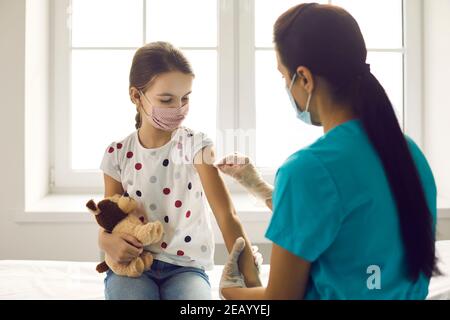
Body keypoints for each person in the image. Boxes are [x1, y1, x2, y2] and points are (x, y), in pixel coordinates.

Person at [217, 3, 440, 300]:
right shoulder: (408, 153)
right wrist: (259, 187)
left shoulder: (307, 168)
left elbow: (279, 300)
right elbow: (350, 222)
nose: (286, 86)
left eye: (284, 77)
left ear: (305, 78)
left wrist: (231, 292)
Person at [98, 41, 261, 300]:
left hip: (187, 270)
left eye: (185, 98)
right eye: (166, 99)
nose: (179, 108)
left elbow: (226, 214)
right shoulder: (117, 154)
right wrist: (105, 242)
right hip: (133, 268)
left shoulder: (196, 145)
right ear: (135, 96)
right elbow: (109, 219)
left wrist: (253, 282)